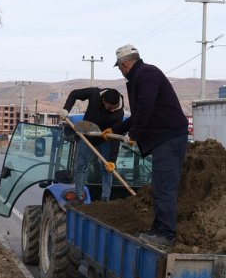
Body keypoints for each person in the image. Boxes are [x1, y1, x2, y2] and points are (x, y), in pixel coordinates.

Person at [104, 44, 189, 249]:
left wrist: (133, 134)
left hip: (169, 137)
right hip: (164, 138)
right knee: (160, 186)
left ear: (125, 64)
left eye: (119, 67)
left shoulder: (146, 74)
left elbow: (146, 107)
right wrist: (116, 129)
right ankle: (158, 230)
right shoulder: (141, 76)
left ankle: (166, 235)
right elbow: (138, 115)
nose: (120, 71)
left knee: (164, 186)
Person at [60, 87, 124, 203]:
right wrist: (66, 109)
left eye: (114, 108)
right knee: (81, 166)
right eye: (110, 108)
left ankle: (105, 199)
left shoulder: (119, 113)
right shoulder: (94, 94)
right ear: (103, 101)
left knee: (107, 168)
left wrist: (112, 160)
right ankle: (79, 196)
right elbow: (74, 93)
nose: (112, 110)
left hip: (105, 139)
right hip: (87, 134)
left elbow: (116, 137)